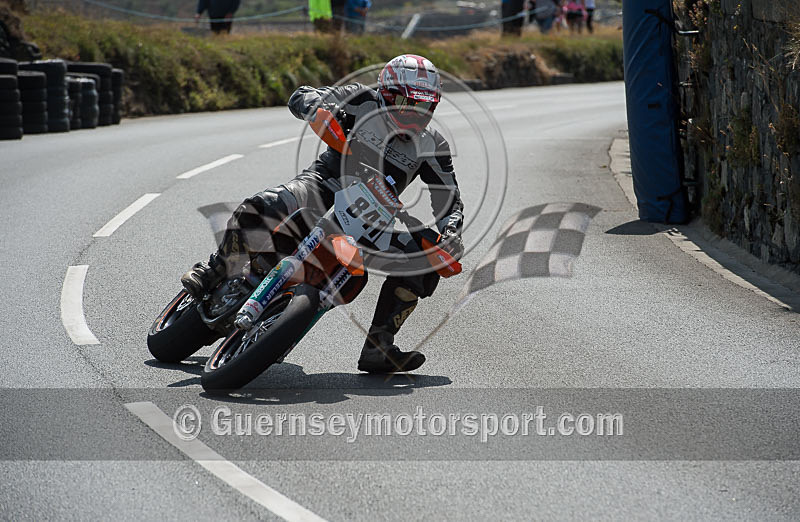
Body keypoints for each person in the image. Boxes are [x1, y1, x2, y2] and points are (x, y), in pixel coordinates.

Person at [181, 55, 465, 374]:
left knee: (427, 259)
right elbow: (302, 95)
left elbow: (449, 199)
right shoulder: (360, 99)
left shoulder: (432, 146)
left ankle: (379, 346)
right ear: (386, 93)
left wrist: (451, 234)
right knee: (268, 202)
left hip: (370, 220)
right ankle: (215, 269)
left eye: (425, 106)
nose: (415, 114)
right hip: (322, 186)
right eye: (405, 102)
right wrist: (317, 109)